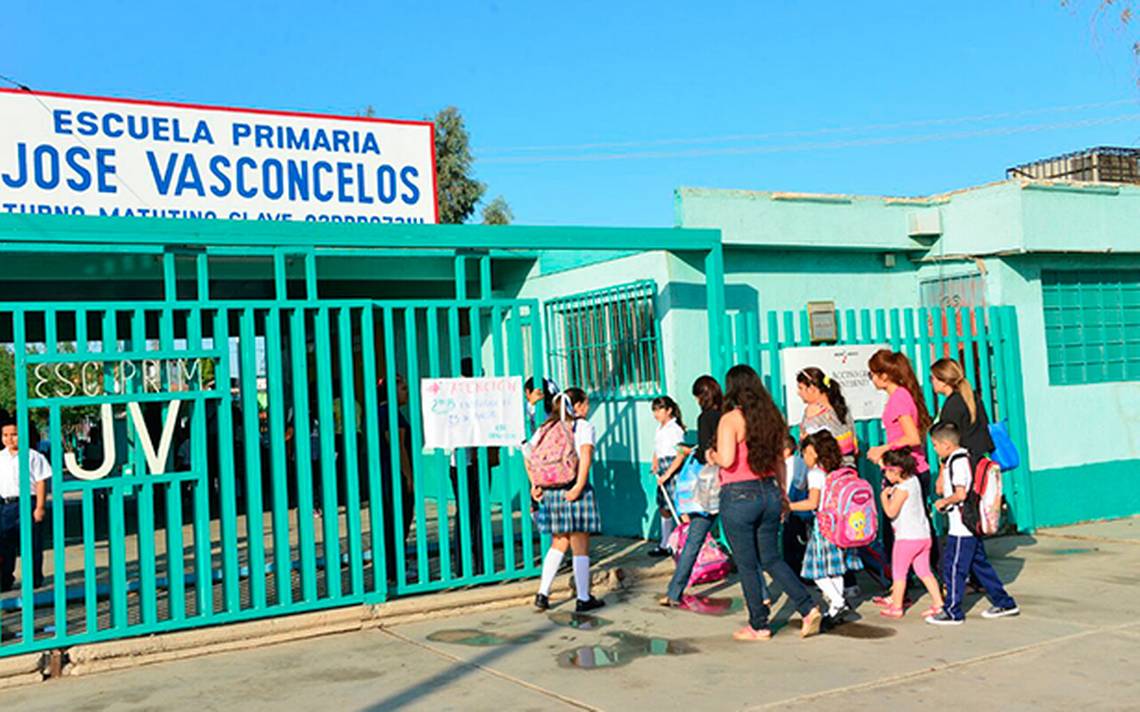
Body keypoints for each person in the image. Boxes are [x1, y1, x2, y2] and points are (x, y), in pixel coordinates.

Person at [707, 365, 822, 641]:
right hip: (770, 491)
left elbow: (727, 459)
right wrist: (781, 494)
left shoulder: (730, 420)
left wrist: (711, 454)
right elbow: (780, 461)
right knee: (771, 557)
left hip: (738, 495)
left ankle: (759, 625)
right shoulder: (772, 418)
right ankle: (808, 607)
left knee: (748, 564)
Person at [659, 377, 771, 607]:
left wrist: (696, 451)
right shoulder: (730, 415)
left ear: (701, 396)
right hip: (736, 485)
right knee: (745, 546)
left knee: (693, 541)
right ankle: (764, 593)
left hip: (711, 491)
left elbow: (706, 453)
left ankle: (674, 592)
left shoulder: (706, 417)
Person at [926, 423, 1019, 625]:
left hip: (961, 527)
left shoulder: (958, 462)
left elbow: (961, 494)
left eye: (935, 445)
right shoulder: (960, 458)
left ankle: (952, 611)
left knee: (953, 568)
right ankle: (1004, 602)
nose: (934, 449)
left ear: (946, 444)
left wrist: (944, 502)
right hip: (966, 526)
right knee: (980, 566)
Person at [528, 388, 605, 613]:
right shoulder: (581, 426)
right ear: (578, 406)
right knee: (580, 543)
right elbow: (586, 456)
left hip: (551, 489)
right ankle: (583, 597)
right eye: (585, 404)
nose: (587, 408)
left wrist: (535, 484)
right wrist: (579, 487)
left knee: (559, 541)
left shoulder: (546, 427)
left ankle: (543, 593)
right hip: (572, 487)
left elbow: (528, 455)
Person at [866, 349, 936, 581]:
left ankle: (912, 584)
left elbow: (913, 437)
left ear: (884, 375)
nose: (872, 379)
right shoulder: (903, 395)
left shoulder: (899, 398)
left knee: (900, 532)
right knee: (913, 529)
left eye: (872, 374)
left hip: (907, 472)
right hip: (905, 470)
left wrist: (883, 449)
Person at [789, 431, 862, 623]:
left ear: (813, 452)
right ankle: (836, 607)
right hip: (841, 526)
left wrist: (789, 506)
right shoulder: (838, 469)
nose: (803, 458)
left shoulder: (815, 473)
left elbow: (813, 503)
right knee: (835, 570)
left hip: (824, 528)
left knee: (817, 572)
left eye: (804, 453)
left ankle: (838, 602)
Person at [876, 449, 944, 619]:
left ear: (896, 471)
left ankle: (897, 606)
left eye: (886, 471)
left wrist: (884, 498)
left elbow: (891, 512)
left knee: (899, 573)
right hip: (923, 535)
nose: (885, 475)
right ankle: (938, 603)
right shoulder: (913, 481)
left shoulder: (900, 489)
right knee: (924, 571)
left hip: (906, 538)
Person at [0, 419, 50, 591]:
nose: (9, 439)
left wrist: (40, 507)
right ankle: (5, 579)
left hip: (28, 502)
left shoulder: (33, 456)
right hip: (6, 505)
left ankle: (33, 578)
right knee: (5, 543)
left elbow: (41, 482)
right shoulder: (1, 457)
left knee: (31, 542)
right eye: (5, 435)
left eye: (14, 435)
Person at [378, 375, 415, 586]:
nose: (407, 392)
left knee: (390, 523)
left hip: (384, 475)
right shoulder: (393, 415)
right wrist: (409, 477)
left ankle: (392, 569)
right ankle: (397, 569)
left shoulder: (378, 412)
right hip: (396, 477)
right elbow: (398, 448)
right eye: (403, 388)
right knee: (400, 521)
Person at [930, 358, 994, 469]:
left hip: (963, 463)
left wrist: (942, 470)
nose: (932, 382)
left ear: (944, 381)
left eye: (932, 378)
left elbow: (948, 442)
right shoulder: (971, 397)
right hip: (982, 459)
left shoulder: (952, 405)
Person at [648, 396, 686, 558]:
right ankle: (665, 544)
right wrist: (654, 462)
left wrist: (668, 474)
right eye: (654, 410)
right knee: (664, 508)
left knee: (680, 508)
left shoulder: (675, 430)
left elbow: (680, 454)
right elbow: (658, 448)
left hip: (672, 469)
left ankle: (689, 543)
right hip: (662, 468)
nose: (656, 413)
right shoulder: (660, 428)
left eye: (659, 409)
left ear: (669, 410)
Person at [796, 367, 858, 467]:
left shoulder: (813, 414)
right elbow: (854, 446)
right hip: (849, 468)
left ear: (812, 388)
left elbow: (808, 452)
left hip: (826, 472)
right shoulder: (841, 408)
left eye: (801, 388)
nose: (798, 393)